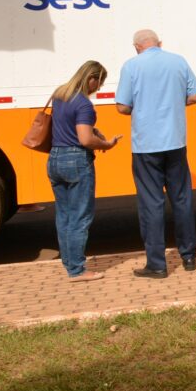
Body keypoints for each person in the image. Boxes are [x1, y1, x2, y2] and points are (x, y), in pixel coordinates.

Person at [116, 29, 196, 278]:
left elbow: (122, 107)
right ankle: (189, 257)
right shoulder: (178, 61)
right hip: (176, 142)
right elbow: (195, 97)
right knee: (182, 199)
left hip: (146, 146)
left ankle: (157, 264)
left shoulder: (131, 66)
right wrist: (174, 102)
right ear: (159, 43)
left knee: (151, 204)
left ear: (136, 46)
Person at [47, 60, 122, 282]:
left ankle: (70, 264)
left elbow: (67, 124)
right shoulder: (84, 104)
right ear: (91, 78)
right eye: (99, 82)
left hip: (55, 158)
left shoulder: (60, 95)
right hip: (76, 160)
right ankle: (77, 270)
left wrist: (93, 129)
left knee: (64, 215)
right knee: (80, 216)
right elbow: (85, 139)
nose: (99, 88)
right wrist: (107, 144)